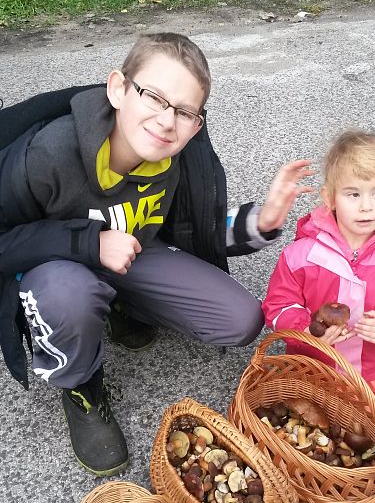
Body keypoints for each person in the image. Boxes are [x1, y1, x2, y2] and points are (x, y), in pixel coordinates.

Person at [0, 32, 314, 476]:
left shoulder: (175, 162)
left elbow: (195, 231)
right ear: (118, 89)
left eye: (185, 112)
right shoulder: (48, 156)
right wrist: (89, 243)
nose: (167, 121)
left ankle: (119, 301)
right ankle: (81, 386)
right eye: (154, 97)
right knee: (68, 290)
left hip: (131, 251)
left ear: (197, 126)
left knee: (241, 319)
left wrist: (262, 221)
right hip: (52, 267)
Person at [262, 129, 375, 439]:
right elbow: (278, 305)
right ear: (329, 197)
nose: (366, 206)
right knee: (308, 423)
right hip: (317, 360)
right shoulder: (302, 254)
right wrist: (306, 331)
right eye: (353, 194)